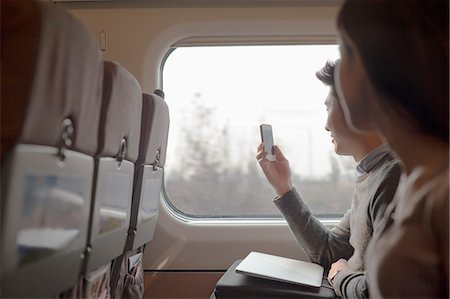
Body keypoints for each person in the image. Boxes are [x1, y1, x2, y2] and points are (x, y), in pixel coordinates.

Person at [256, 60, 401, 298]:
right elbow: (329, 251)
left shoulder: (393, 178)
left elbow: (383, 290)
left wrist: (340, 276)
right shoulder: (372, 173)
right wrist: (284, 188)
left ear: (353, 110)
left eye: (327, 109)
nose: (325, 126)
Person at [335, 1, 449, 297]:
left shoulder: (442, 193)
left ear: (372, 63)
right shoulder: (413, 178)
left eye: (344, 51)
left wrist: (341, 279)